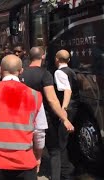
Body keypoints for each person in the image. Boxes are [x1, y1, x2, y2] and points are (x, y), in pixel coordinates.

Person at [19, 47, 75, 179]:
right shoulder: (45, 74)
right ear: (43, 56)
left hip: (23, 117)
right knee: (54, 151)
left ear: (29, 56)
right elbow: (52, 99)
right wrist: (64, 117)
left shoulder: (21, 74)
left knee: (27, 149)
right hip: (45, 118)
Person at [49, 49, 80, 180]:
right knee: (69, 140)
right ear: (68, 60)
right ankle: (72, 168)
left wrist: (63, 110)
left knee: (61, 143)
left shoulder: (59, 72)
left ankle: (66, 173)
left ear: (56, 59)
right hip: (75, 107)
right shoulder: (72, 71)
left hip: (68, 109)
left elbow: (67, 90)